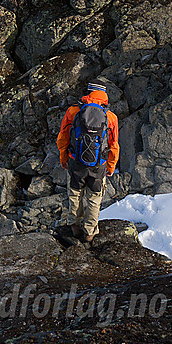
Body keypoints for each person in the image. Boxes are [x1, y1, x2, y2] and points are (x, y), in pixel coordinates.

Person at [56, 82, 119, 243]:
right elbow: (114, 145)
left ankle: (74, 226)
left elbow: (63, 138)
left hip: (75, 162)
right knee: (94, 198)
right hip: (98, 165)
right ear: (104, 96)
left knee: (75, 194)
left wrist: (64, 159)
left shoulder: (73, 112)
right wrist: (111, 166)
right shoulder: (110, 117)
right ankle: (90, 233)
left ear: (88, 93)